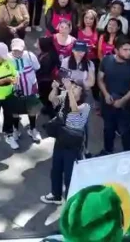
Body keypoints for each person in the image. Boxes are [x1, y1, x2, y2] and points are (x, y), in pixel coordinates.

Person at [39, 77, 90, 205]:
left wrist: (69, 92)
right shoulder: (66, 96)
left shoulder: (85, 106)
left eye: (76, 87)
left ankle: (70, 200)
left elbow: (74, 110)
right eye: (72, 85)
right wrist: (55, 88)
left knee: (70, 174)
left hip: (73, 145)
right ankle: (55, 195)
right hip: (61, 139)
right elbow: (52, 100)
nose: (72, 88)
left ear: (82, 91)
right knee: (56, 169)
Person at [97, 41, 130, 155]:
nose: (128, 53)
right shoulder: (106, 60)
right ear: (116, 50)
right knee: (108, 128)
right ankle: (107, 150)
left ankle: (128, 153)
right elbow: (100, 79)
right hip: (107, 101)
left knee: (125, 129)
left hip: (125, 103)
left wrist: (122, 101)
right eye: (125, 50)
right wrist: (106, 94)